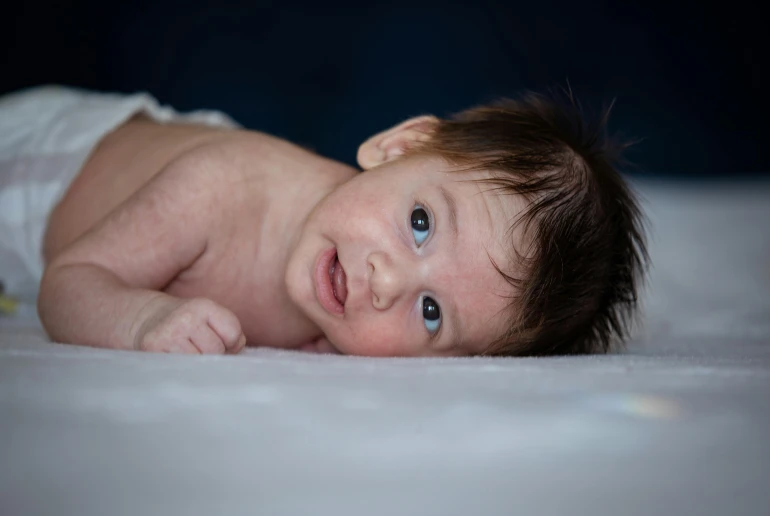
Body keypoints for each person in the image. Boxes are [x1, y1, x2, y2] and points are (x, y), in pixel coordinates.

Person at [0, 85, 647, 356]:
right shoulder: (220, 188)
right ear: (396, 148)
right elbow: (69, 279)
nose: (387, 282)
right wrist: (142, 319)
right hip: (32, 166)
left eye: (430, 314)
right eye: (419, 222)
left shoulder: (339, 320)